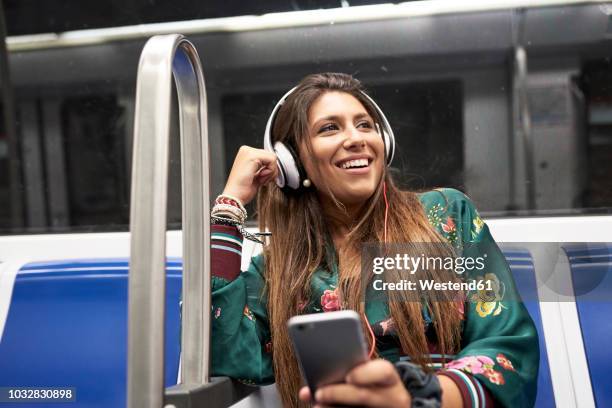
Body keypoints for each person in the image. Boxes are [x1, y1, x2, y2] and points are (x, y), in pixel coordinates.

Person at [209, 72, 539, 407]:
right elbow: (224, 353)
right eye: (329, 128)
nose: (356, 138)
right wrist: (229, 204)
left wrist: (419, 397)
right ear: (292, 162)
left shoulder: (443, 218)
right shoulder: (279, 271)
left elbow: (507, 346)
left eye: (365, 125)